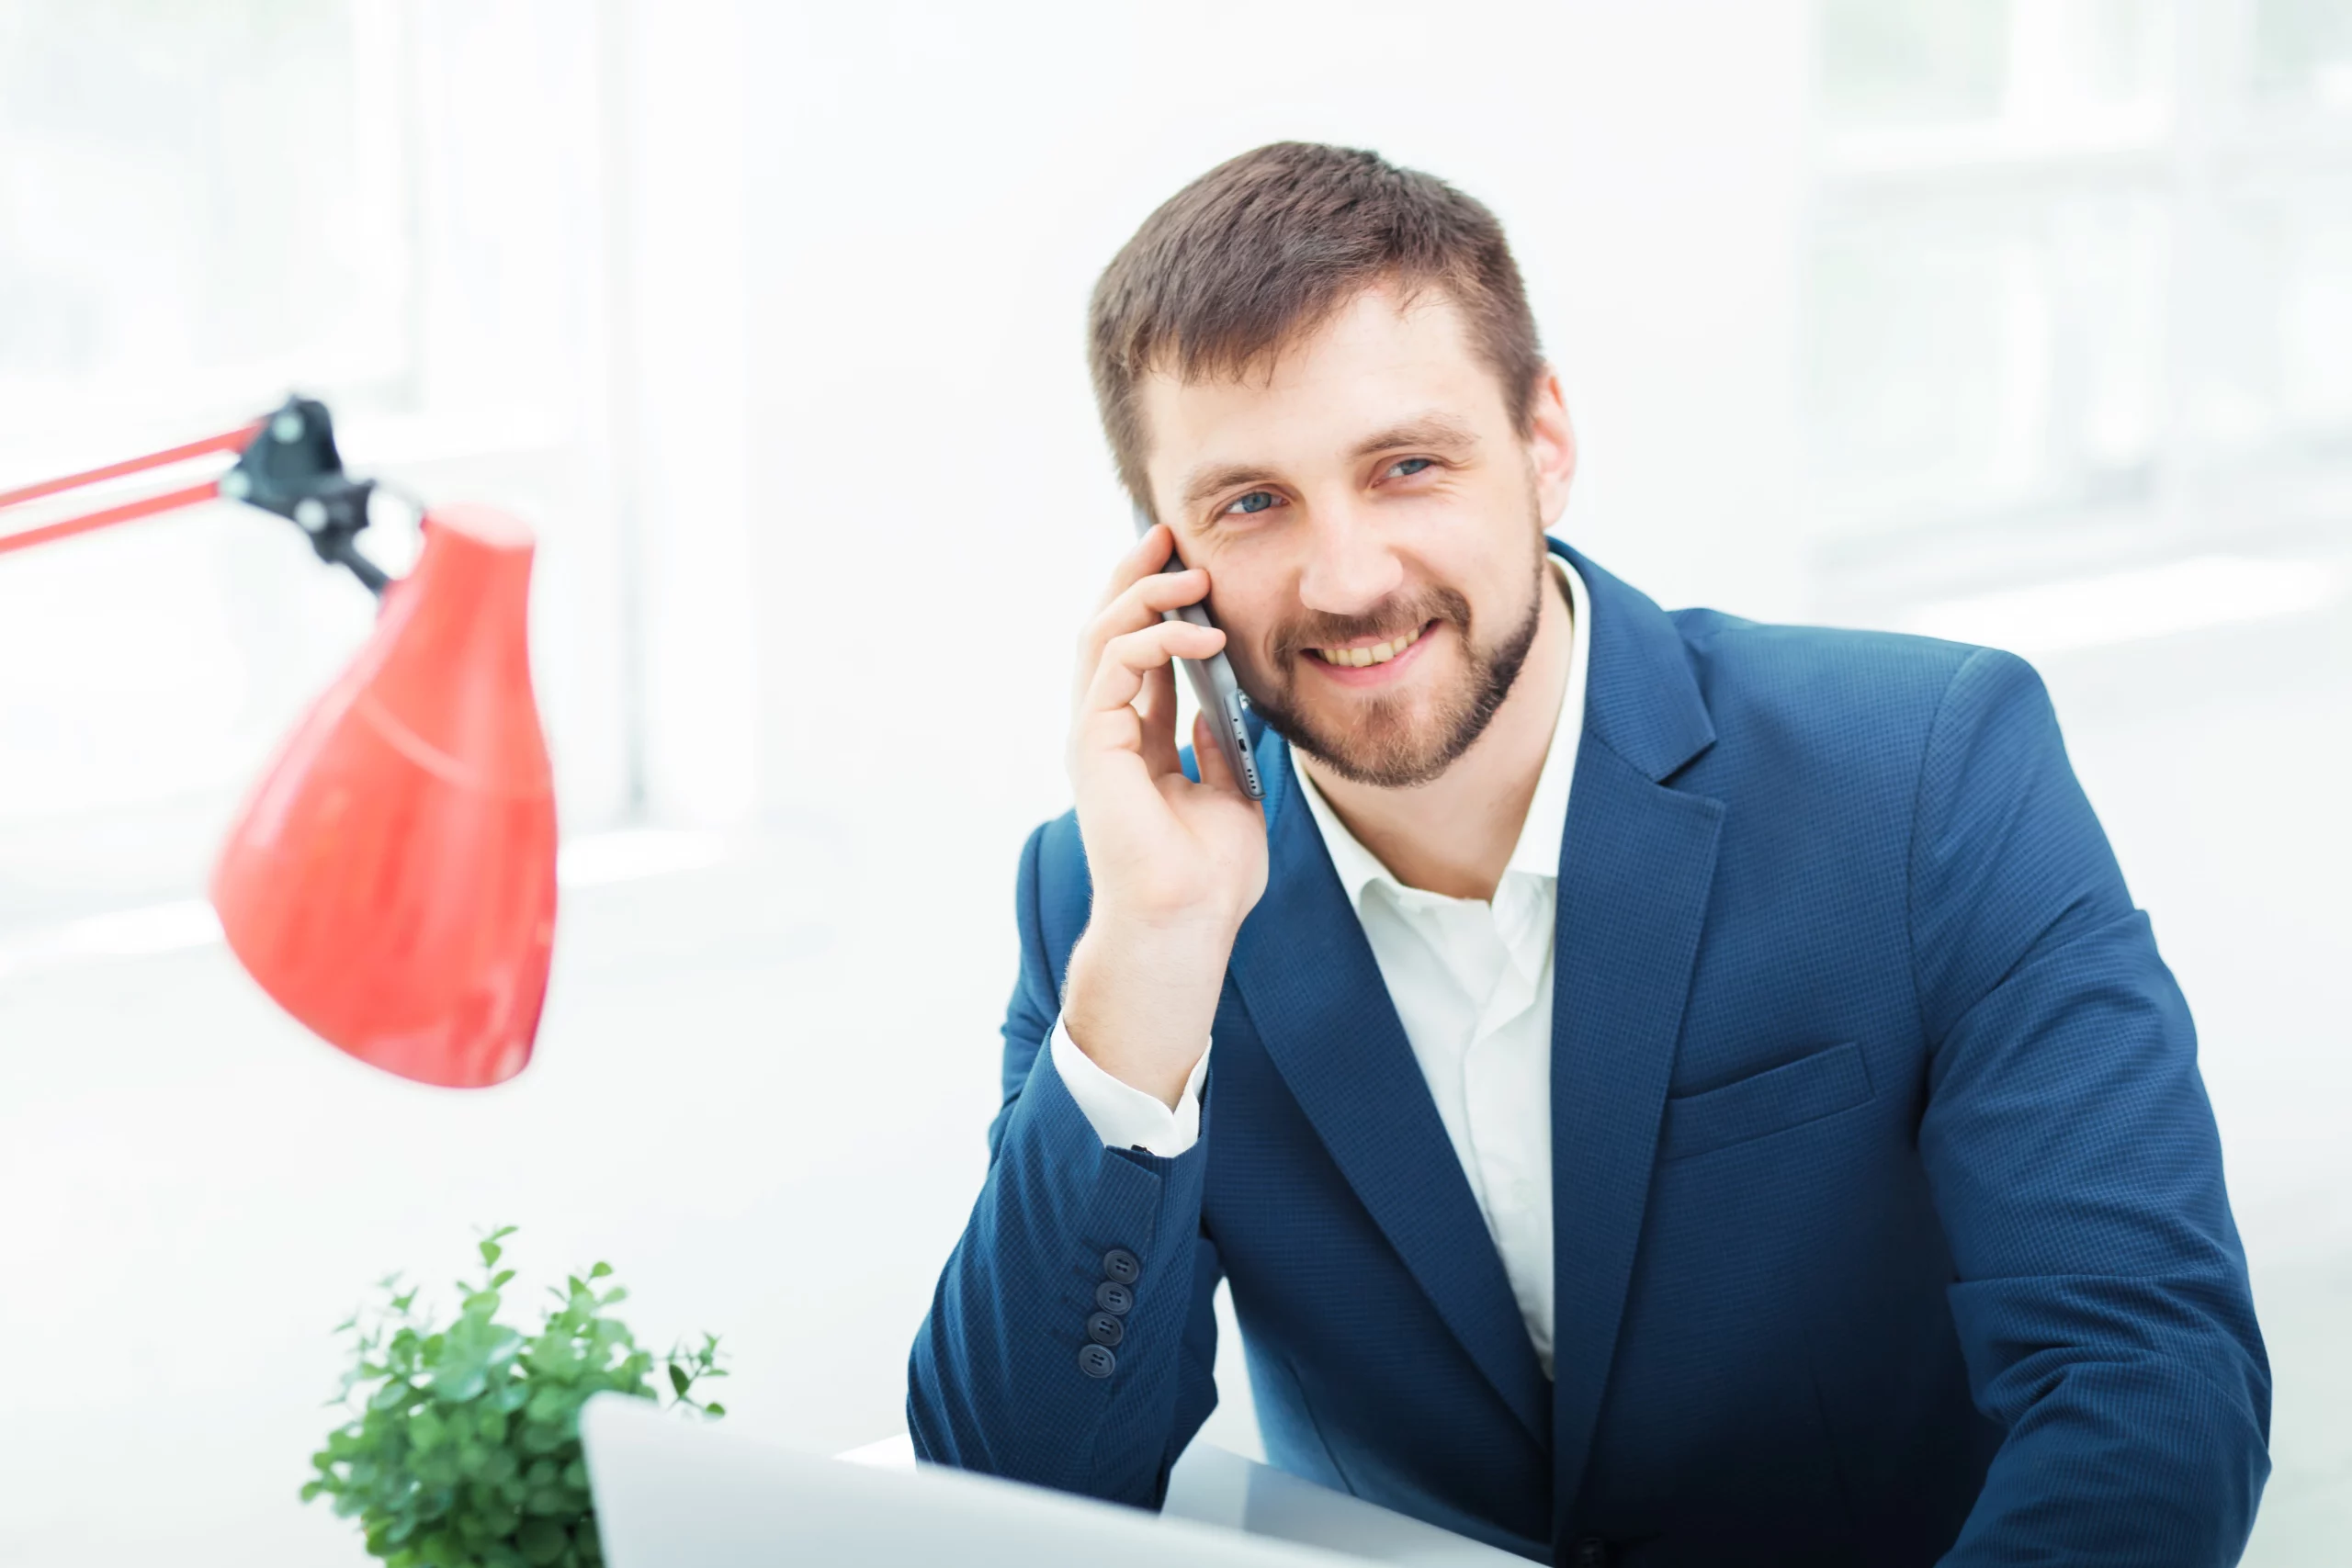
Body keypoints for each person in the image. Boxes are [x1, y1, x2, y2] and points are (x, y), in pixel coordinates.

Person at [905, 141, 2269, 1566]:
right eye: (1251, 502)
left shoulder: (1925, 769)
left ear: (1544, 441)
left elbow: (2148, 1380)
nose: (1351, 577)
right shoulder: (1113, 902)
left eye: (1408, 465)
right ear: (1160, 556)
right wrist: (1158, 956)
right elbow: (1010, 1490)